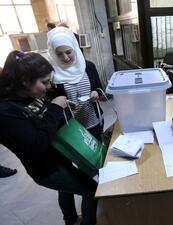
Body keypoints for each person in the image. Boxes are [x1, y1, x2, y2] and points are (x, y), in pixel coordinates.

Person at [0, 51, 98, 225]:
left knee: (65, 191)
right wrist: (54, 108)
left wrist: (64, 108)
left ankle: (71, 220)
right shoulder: (6, 112)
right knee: (92, 191)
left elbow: (47, 120)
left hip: (61, 156)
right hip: (47, 169)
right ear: (24, 81)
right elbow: (37, 144)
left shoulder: (30, 94)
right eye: (44, 82)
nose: (49, 87)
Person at [47, 26, 104, 142]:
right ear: (53, 54)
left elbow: (99, 88)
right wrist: (66, 104)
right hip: (70, 125)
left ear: (75, 48)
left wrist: (95, 93)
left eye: (68, 52)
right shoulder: (52, 74)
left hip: (93, 119)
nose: (65, 57)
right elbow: (51, 103)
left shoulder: (88, 67)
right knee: (81, 154)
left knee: (98, 151)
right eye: (59, 54)